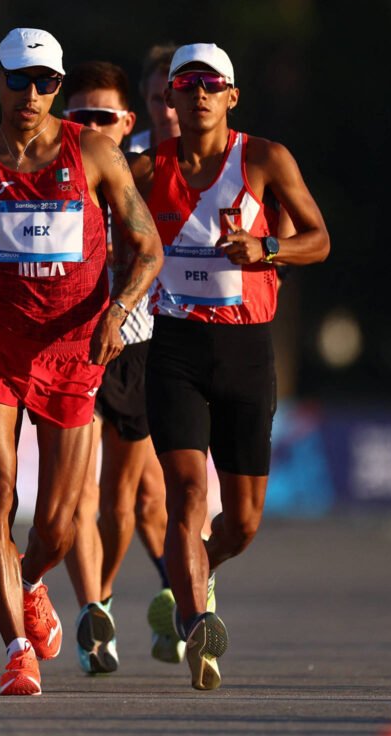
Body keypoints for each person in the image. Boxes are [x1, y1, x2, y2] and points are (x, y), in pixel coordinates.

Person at [0, 28, 163, 696]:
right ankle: (14, 651)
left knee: (60, 523)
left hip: (76, 349)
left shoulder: (92, 153)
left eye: (46, 82)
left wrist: (118, 313)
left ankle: (32, 579)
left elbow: (148, 249)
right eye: (19, 79)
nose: (31, 94)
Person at [135, 43, 329, 691]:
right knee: (187, 495)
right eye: (186, 84)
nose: (198, 95)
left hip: (247, 350)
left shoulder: (265, 160)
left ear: (231, 96)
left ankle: (199, 571)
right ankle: (196, 626)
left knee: (243, 522)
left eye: (211, 84)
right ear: (169, 97)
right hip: (176, 349)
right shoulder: (145, 168)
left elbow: (320, 239)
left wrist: (267, 247)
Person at [57, 60, 173, 674]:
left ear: (128, 122)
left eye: (105, 116)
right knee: (76, 492)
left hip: (139, 341)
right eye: (81, 117)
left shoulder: (154, 173)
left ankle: (104, 598)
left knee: (122, 502)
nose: (94, 126)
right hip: (71, 346)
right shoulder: (52, 171)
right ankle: (91, 617)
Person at [128, 44, 180, 154]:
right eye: (158, 100)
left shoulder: (220, 155)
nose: (167, 114)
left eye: (174, 99)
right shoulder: (126, 154)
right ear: (145, 98)